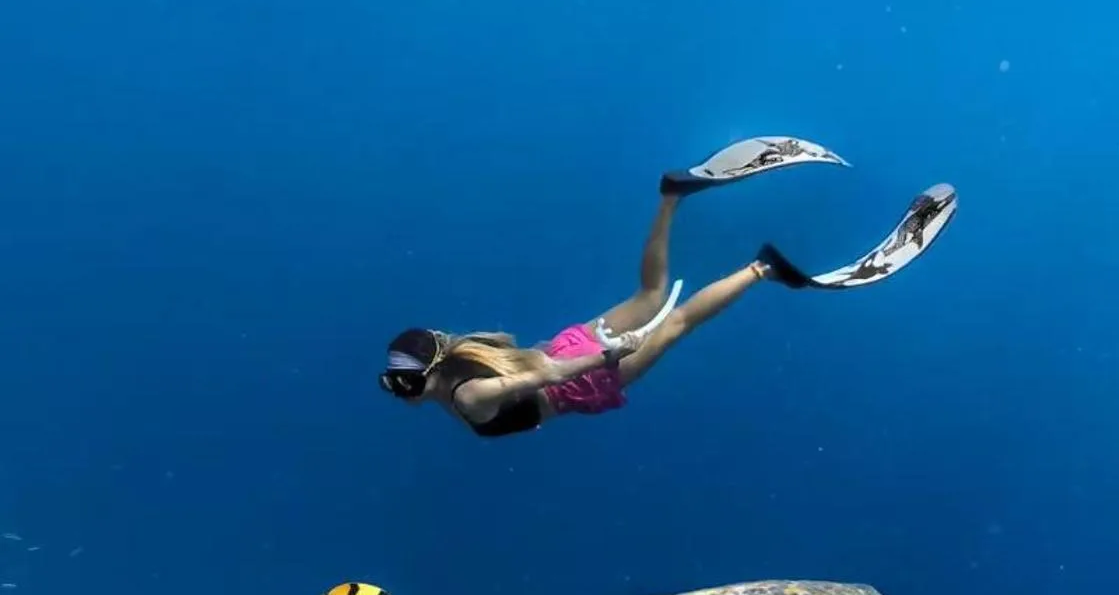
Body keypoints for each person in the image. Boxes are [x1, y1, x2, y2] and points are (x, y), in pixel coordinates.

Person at [378, 136, 957, 441]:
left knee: (676, 323)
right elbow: (535, 364)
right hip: (569, 342)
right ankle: (671, 198)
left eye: (398, 384)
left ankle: (761, 270)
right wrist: (592, 350)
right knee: (653, 294)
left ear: (421, 380)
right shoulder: (473, 354)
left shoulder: (468, 398)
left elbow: (544, 378)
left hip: (578, 376)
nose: (397, 394)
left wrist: (606, 358)